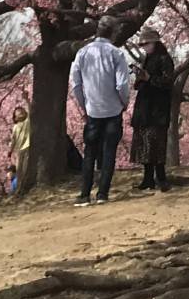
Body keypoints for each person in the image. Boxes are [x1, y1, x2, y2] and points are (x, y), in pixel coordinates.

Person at [69, 16, 132, 206]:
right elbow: (122, 84)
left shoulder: (82, 53)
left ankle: (84, 194)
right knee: (109, 152)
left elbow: (76, 85)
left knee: (90, 152)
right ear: (113, 32)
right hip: (113, 110)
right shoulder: (117, 54)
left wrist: (84, 106)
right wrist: (124, 103)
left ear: (97, 30)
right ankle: (102, 193)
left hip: (93, 111)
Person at [130, 28, 176, 191]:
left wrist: (150, 78)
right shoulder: (147, 59)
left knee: (157, 143)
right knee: (145, 144)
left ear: (155, 43)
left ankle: (161, 177)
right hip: (145, 107)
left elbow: (168, 82)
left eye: (146, 43)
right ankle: (148, 178)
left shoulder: (165, 59)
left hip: (158, 109)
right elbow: (141, 84)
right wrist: (140, 77)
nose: (144, 47)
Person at [7, 106, 33, 194]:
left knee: (25, 168)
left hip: (27, 148)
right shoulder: (15, 127)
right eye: (18, 112)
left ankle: (25, 188)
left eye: (22, 111)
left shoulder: (27, 122)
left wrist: (26, 99)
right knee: (19, 170)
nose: (20, 113)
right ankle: (18, 189)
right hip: (19, 150)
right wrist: (10, 150)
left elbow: (31, 109)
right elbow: (13, 140)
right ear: (15, 117)